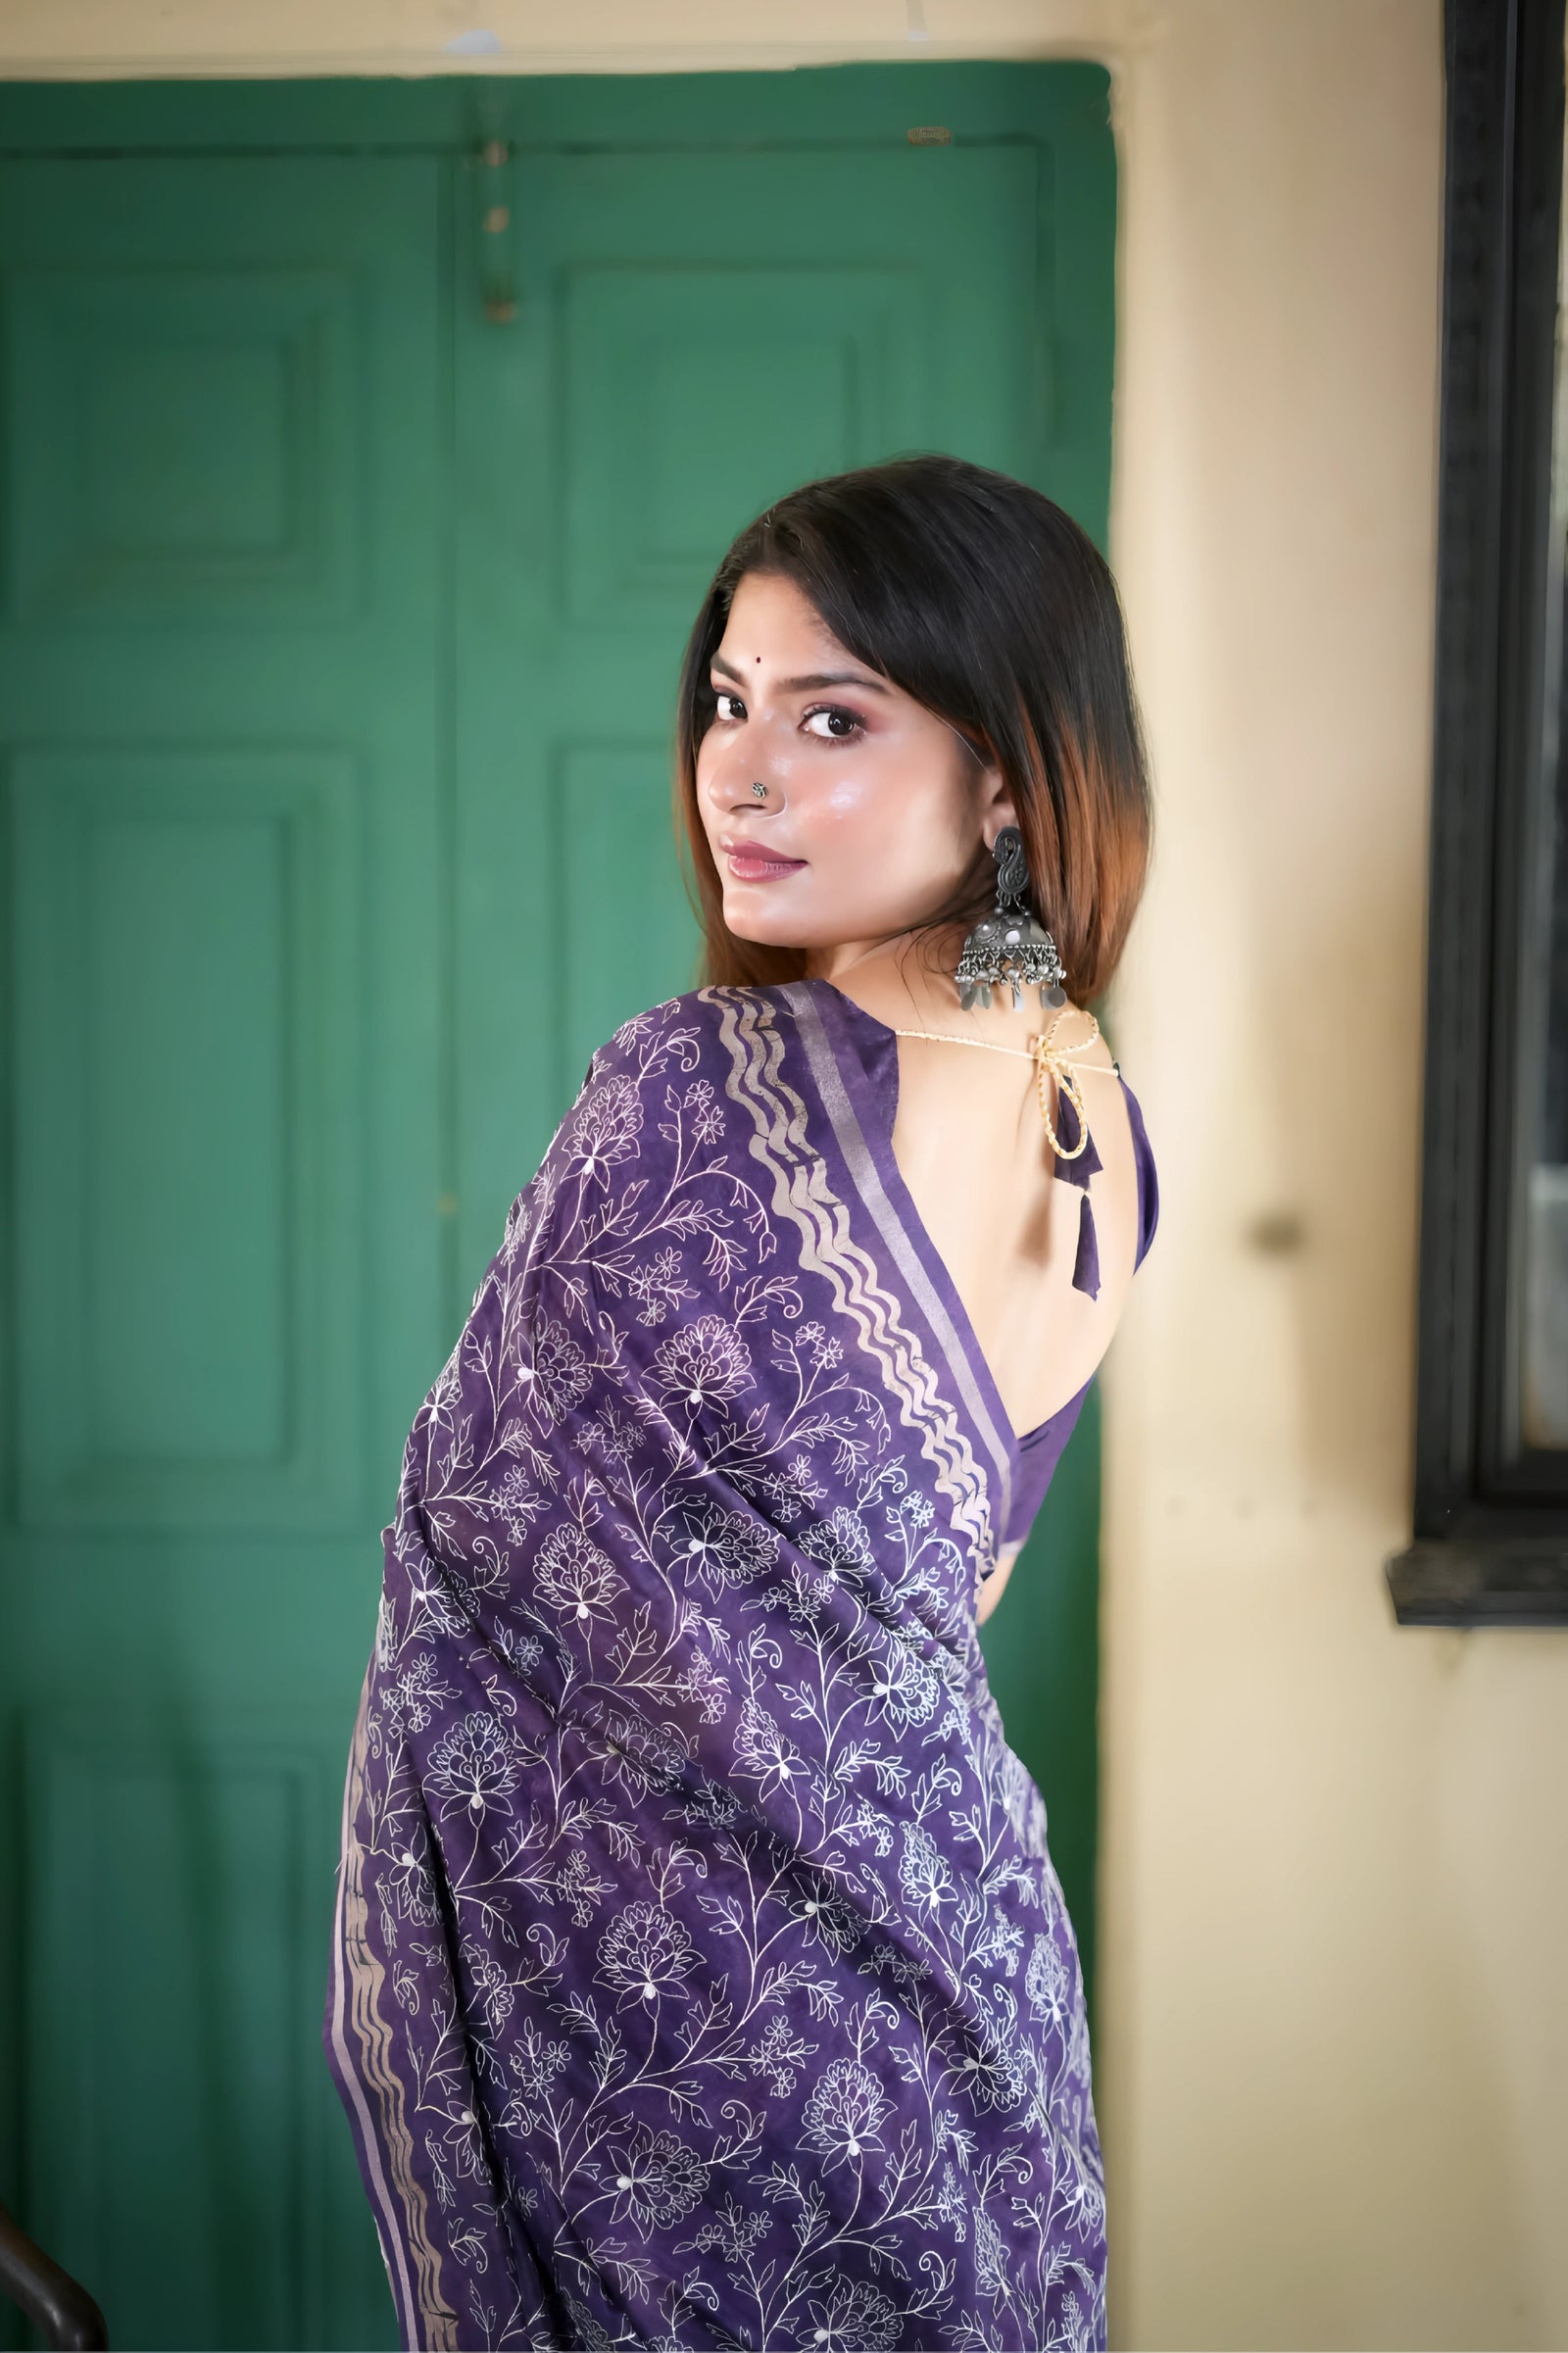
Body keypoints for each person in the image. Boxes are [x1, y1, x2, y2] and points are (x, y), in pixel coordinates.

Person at [324, 455, 1157, 2353]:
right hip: (976, 2033)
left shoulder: (695, 1094)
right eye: (727, 697)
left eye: (833, 715)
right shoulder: (1098, 1111)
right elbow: (924, 1629)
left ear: (1010, 775)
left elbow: (469, 1601)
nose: (741, 770)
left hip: (709, 2080)